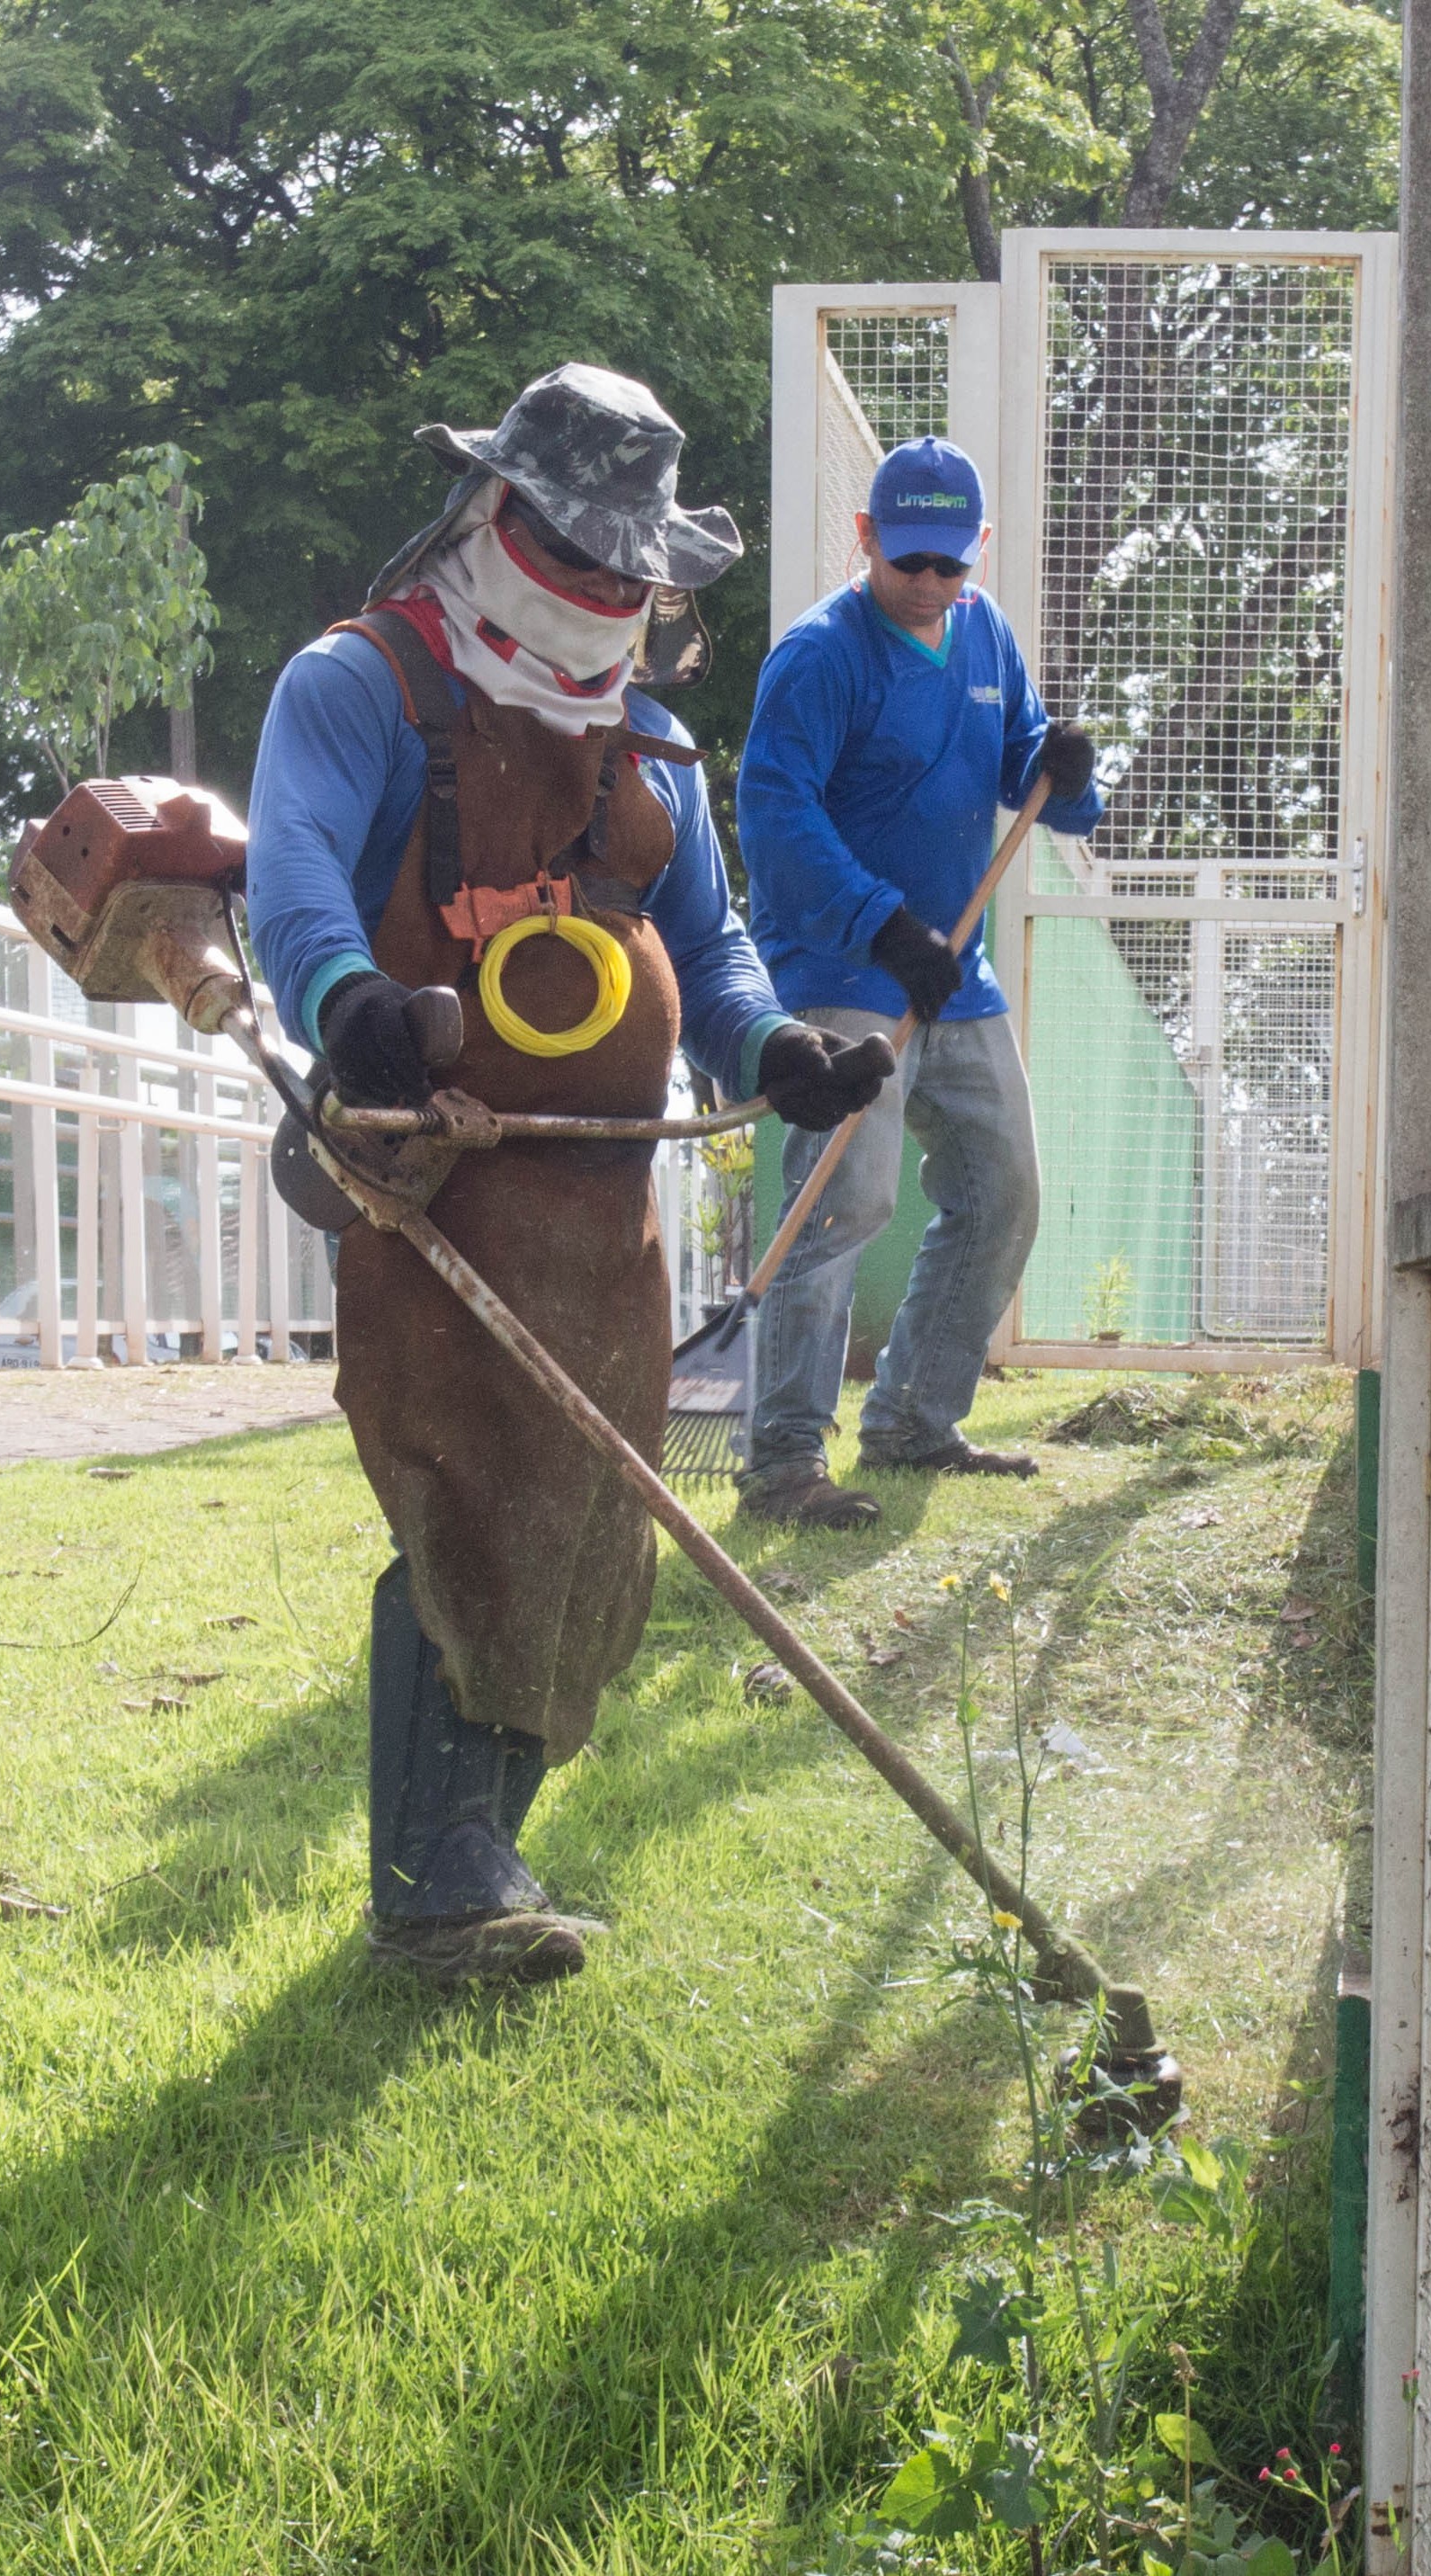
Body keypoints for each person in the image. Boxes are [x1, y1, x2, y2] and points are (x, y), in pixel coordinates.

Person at [247, 363, 893, 1987]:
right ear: (493, 514)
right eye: (585, 557)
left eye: (635, 572)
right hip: (427, 1174)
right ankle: (436, 1888)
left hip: (604, 1217)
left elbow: (713, 946)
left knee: (600, 1518)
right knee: (471, 1488)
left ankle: (482, 1843)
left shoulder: (653, 757)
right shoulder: (358, 689)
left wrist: (771, 1055)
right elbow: (294, 867)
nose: (611, 592)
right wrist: (350, 1007)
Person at [731, 436, 1103, 1530]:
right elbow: (775, 818)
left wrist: (1066, 769)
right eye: (909, 563)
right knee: (845, 1200)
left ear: (976, 550)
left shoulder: (984, 633)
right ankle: (783, 1461)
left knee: (1003, 1191)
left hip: (957, 973)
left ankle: (911, 1421)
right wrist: (883, 930)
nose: (931, 584)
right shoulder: (817, 657)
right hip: (849, 967)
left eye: (951, 563)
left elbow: (1025, 765)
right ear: (865, 541)